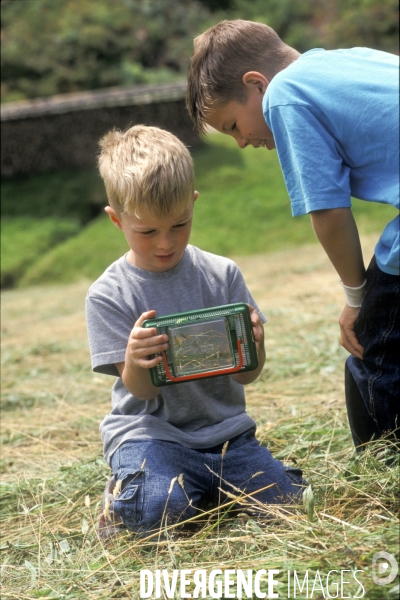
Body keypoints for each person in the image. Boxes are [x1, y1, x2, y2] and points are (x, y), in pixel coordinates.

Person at [186, 19, 399, 451]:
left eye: (231, 125)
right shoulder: (349, 59)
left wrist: (357, 299)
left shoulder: (285, 95)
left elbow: (328, 211)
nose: (242, 142)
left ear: (257, 84)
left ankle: (383, 464)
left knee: (375, 344)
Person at [85, 124, 305, 538]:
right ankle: (125, 500)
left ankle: (206, 492)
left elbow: (246, 375)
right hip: (150, 437)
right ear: (117, 220)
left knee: (288, 502)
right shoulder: (108, 294)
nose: (165, 243)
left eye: (179, 225)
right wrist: (135, 361)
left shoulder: (222, 274)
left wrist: (255, 347)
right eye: (147, 231)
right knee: (158, 511)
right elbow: (141, 392)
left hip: (225, 436)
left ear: (193, 204)